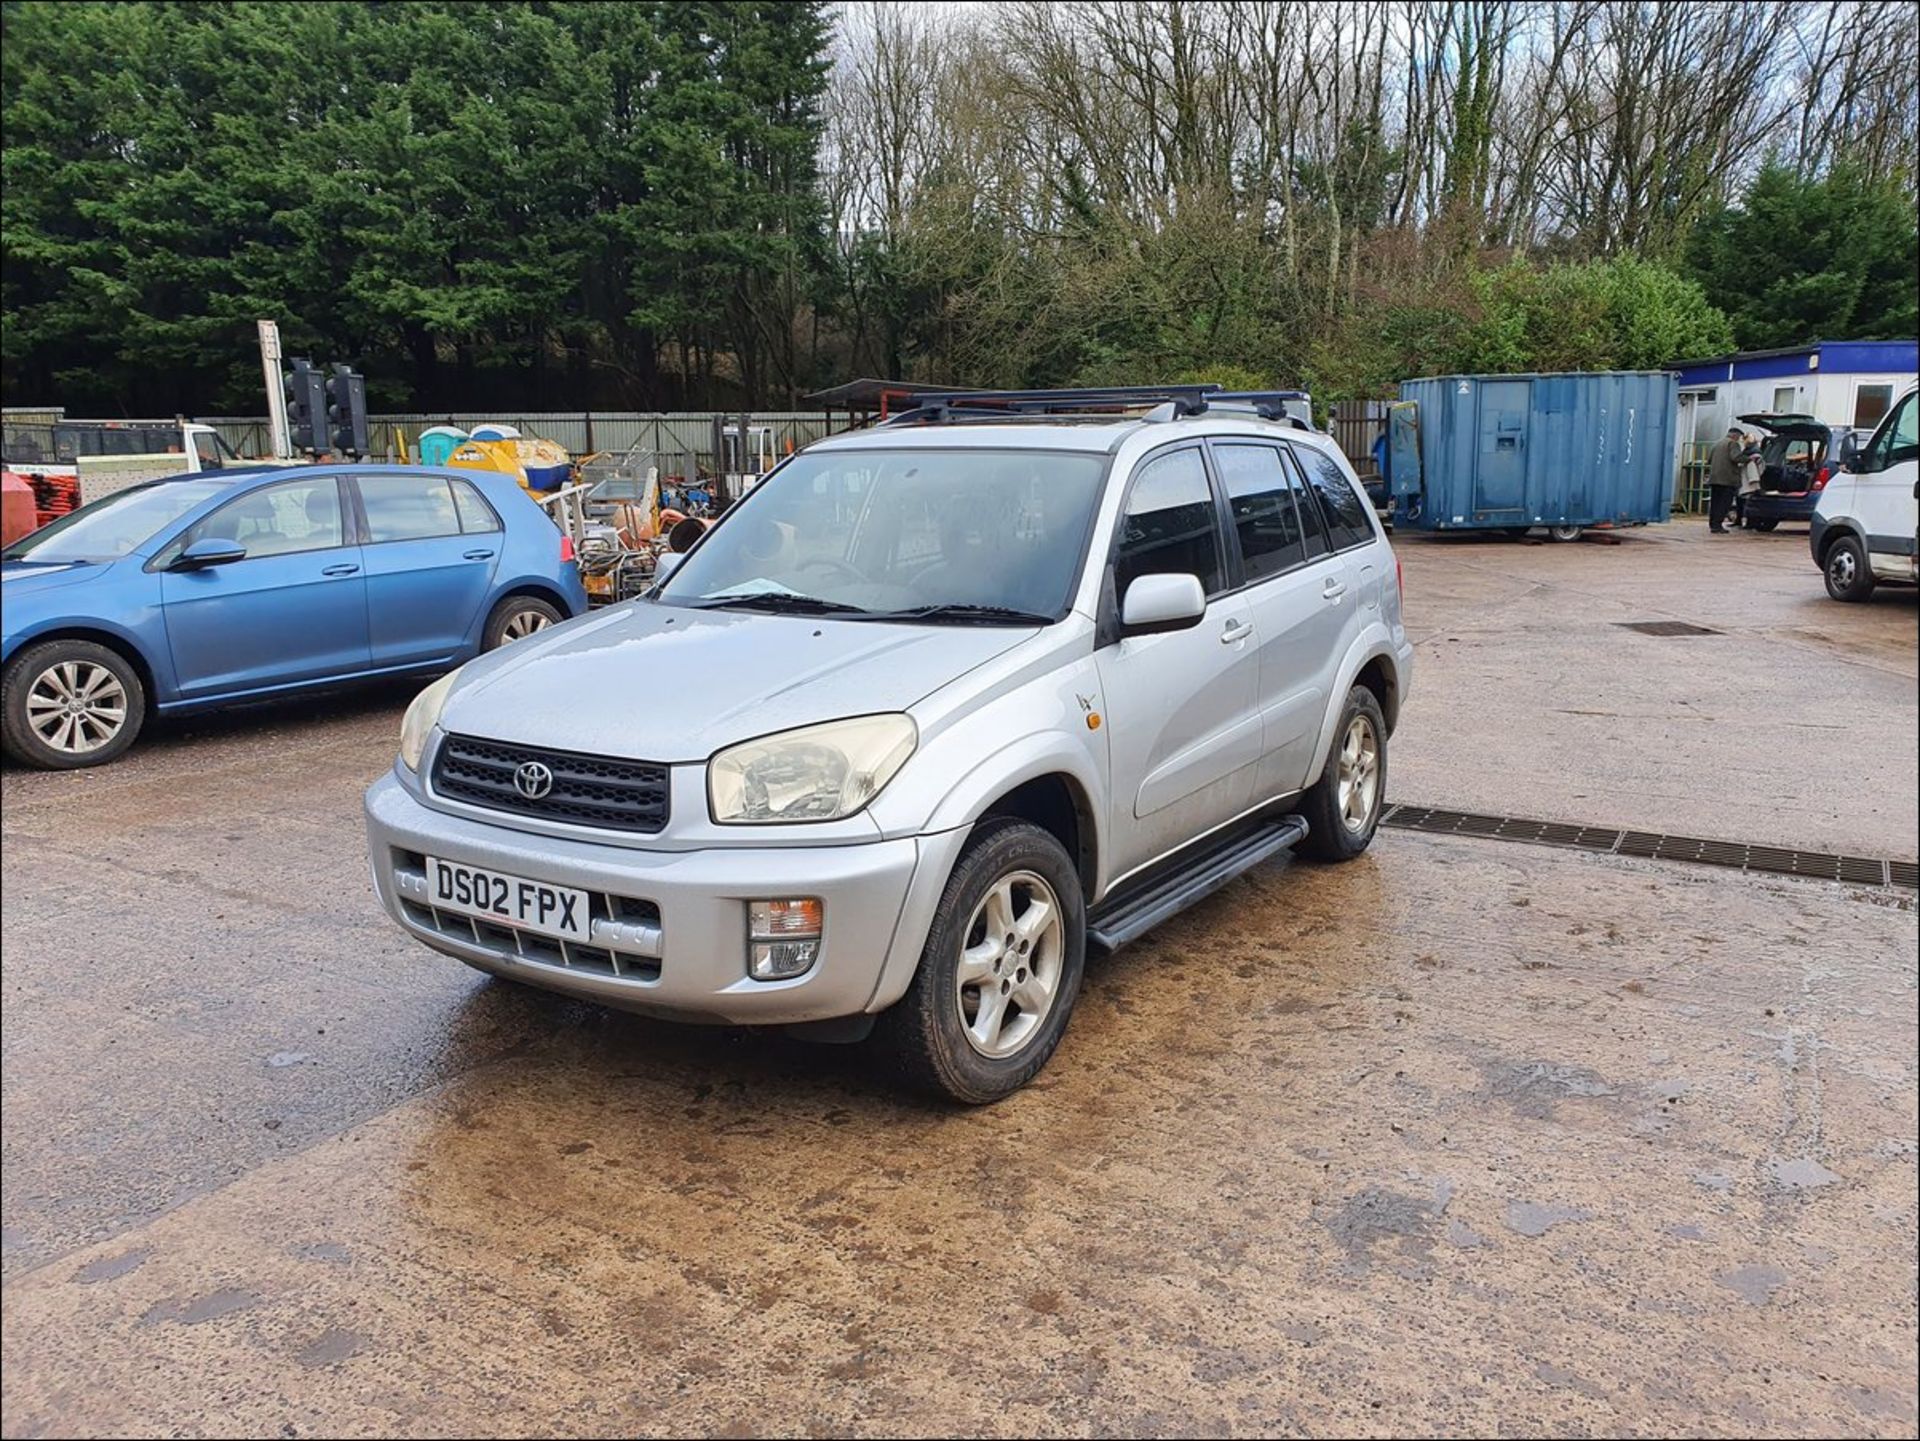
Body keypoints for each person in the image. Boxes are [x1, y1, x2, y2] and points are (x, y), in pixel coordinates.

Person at [1704, 425, 1746, 533]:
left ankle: (1713, 525)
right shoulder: (1733, 444)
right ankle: (1718, 526)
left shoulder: (1716, 443)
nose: (1739, 439)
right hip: (1727, 479)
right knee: (1724, 504)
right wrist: (1748, 459)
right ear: (1735, 435)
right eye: (1739, 437)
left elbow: (1708, 460)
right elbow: (1735, 457)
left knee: (1715, 503)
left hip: (1715, 479)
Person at [1735, 430, 1763, 529]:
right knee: (1744, 500)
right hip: (1747, 480)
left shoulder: (1752, 452)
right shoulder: (1752, 451)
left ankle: (1748, 522)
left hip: (1749, 480)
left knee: (1747, 500)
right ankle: (1741, 520)